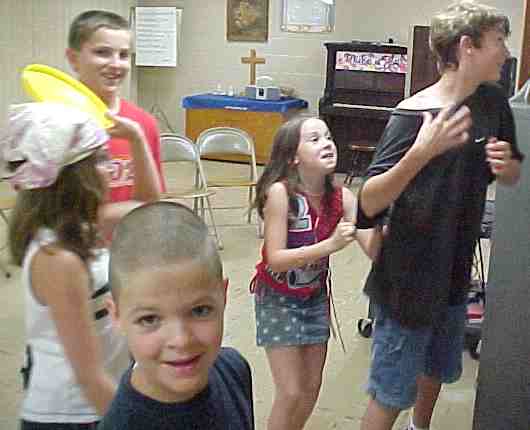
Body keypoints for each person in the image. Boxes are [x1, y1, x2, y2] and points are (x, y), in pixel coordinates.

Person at [356, 2, 524, 430]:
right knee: (390, 393)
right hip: (406, 282)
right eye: (498, 42)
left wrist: (507, 167)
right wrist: (421, 152)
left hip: (454, 275)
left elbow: (512, 172)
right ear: (468, 46)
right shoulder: (413, 115)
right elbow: (368, 203)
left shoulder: (493, 102)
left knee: (435, 369)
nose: (506, 52)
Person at [2, 103, 131, 429]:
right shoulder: (59, 260)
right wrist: (134, 420)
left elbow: (150, 208)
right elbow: (88, 376)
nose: (111, 167)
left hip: (100, 402)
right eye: (100, 159)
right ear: (75, 178)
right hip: (75, 414)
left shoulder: (81, 229)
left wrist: (139, 140)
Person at [251, 116, 382, 430]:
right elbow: (275, 259)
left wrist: (385, 221)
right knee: (291, 392)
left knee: (310, 389)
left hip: (314, 298)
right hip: (277, 299)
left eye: (328, 137)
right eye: (314, 139)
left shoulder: (343, 198)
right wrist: (330, 245)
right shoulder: (281, 194)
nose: (327, 143)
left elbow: (373, 249)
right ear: (293, 157)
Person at [98, 201, 254, 430]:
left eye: (199, 310)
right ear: (116, 316)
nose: (181, 340)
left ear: (223, 296)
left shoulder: (234, 369)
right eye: (149, 319)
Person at [66, 9, 163, 229]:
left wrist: (137, 139)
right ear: (73, 59)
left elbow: (151, 202)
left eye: (124, 55)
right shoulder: (55, 120)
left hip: (129, 243)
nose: (115, 64)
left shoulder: (144, 123)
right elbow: (43, 210)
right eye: (102, 52)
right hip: (72, 244)